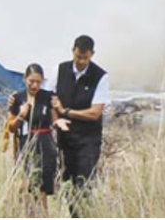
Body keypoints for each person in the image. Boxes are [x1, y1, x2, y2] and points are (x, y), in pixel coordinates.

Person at [48, 35, 110, 217]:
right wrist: (55, 120)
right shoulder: (59, 70)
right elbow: (50, 99)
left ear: (92, 54)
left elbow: (94, 113)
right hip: (65, 137)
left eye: (85, 58)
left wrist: (66, 112)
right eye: (78, 57)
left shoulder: (100, 77)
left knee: (83, 182)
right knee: (67, 181)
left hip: (88, 139)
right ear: (73, 50)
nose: (81, 61)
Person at [7, 63, 68, 215]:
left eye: (38, 82)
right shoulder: (16, 98)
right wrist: (21, 115)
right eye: (31, 81)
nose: (35, 85)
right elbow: (11, 127)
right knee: (28, 186)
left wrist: (58, 122)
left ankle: (43, 215)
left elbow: (54, 120)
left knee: (42, 188)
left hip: (45, 144)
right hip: (25, 143)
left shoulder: (48, 97)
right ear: (24, 79)